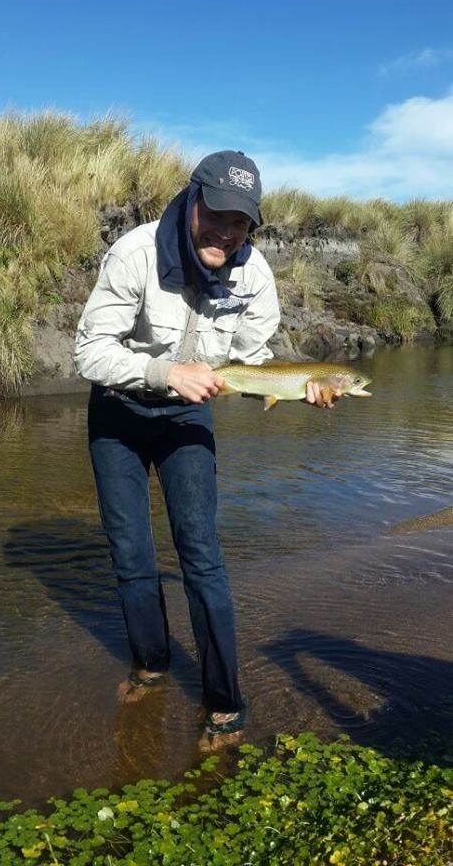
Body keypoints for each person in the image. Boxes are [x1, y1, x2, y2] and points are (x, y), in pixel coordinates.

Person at [74, 149, 336, 738]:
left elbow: (250, 362)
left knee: (201, 555)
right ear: (193, 201)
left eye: (241, 221)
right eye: (217, 213)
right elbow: (88, 353)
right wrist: (167, 373)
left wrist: (303, 388)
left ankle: (224, 699)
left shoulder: (255, 274)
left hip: (189, 418)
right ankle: (151, 665)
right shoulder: (136, 253)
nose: (227, 230)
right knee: (131, 556)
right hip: (117, 411)